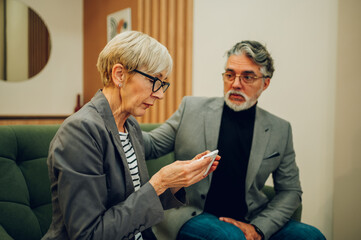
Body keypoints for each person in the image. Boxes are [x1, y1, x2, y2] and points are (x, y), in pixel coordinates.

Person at [42, 31, 219, 240]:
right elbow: (88, 235)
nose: (160, 94)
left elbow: (137, 206)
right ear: (119, 75)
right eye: (155, 80)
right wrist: (159, 183)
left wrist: (175, 182)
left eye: (163, 84)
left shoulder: (130, 125)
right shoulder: (80, 132)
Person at [143, 40, 326, 240]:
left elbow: (290, 190)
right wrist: (121, 120)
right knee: (231, 238)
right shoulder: (192, 109)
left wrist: (258, 228)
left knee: (312, 236)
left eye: (248, 77)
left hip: (253, 217)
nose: (236, 84)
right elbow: (151, 146)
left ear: (265, 83)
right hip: (194, 212)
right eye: (230, 75)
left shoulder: (280, 130)